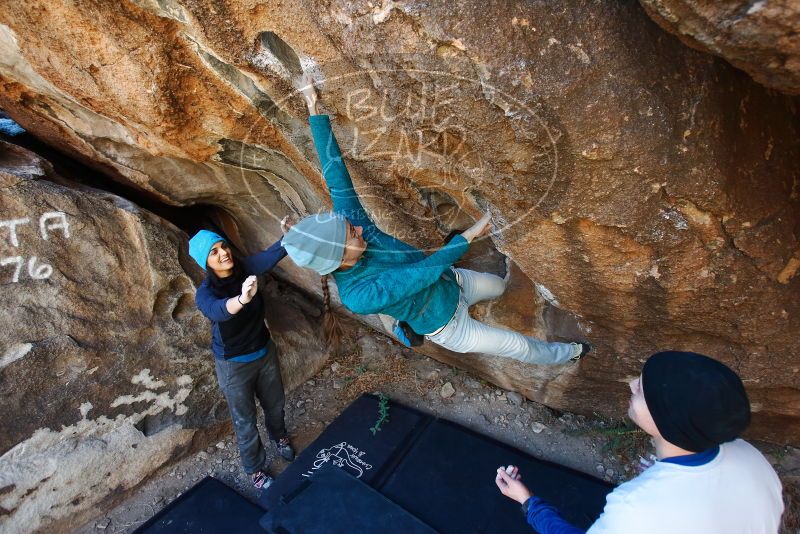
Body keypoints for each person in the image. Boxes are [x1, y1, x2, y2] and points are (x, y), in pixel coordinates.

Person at [281, 73, 589, 366]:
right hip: (449, 327)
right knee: (518, 346)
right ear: (338, 257)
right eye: (352, 233)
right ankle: (570, 353)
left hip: (452, 282)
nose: (360, 228)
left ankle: (456, 302)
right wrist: (477, 229)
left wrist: (314, 108)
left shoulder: (352, 228)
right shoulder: (358, 297)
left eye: (352, 226)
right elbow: (422, 272)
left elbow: (336, 176)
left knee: (498, 287)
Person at [495, 351, 784, 533]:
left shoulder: (635, 509)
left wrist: (528, 502)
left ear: (666, 420)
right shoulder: (750, 459)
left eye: (643, 390)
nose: (632, 385)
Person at [189, 227, 295, 489]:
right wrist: (242, 298)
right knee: (245, 421)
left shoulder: (244, 268)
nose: (223, 253)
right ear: (206, 262)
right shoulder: (205, 293)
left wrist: (290, 236)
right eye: (214, 252)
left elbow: (272, 254)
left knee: (275, 404)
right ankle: (255, 469)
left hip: (264, 352)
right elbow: (219, 311)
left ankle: (279, 436)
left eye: (223, 246)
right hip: (234, 365)